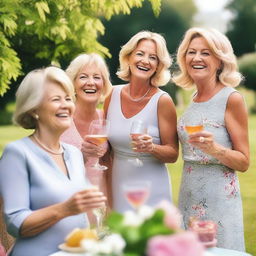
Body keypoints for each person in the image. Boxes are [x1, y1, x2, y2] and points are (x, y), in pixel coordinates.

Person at [0, 66, 106, 256]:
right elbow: (15, 225)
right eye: (56, 99)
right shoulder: (18, 154)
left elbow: (81, 217)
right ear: (34, 109)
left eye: (67, 98)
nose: (65, 105)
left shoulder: (74, 154)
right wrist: (65, 209)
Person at [173, 27, 250, 251]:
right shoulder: (193, 98)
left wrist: (215, 149)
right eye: (192, 52)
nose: (197, 58)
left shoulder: (231, 98)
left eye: (206, 53)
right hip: (188, 195)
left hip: (219, 200)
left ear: (220, 60)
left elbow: (244, 162)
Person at [104, 31, 179, 213]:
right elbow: (106, 151)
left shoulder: (163, 100)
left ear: (158, 66)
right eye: (140, 54)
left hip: (152, 186)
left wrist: (151, 147)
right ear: (128, 57)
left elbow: (173, 154)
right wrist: (107, 195)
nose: (145, 61)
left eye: (153, 57)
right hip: (118, 184)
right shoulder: (111, 94)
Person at [61, 53, 112, 208]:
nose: (91, 83)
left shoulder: (107, 118)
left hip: (99, 200)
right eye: (83, 77)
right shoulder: (60, 120)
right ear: (73, 83)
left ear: (103, 84)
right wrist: (81, 157)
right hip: (67, 202)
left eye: (97, 77)